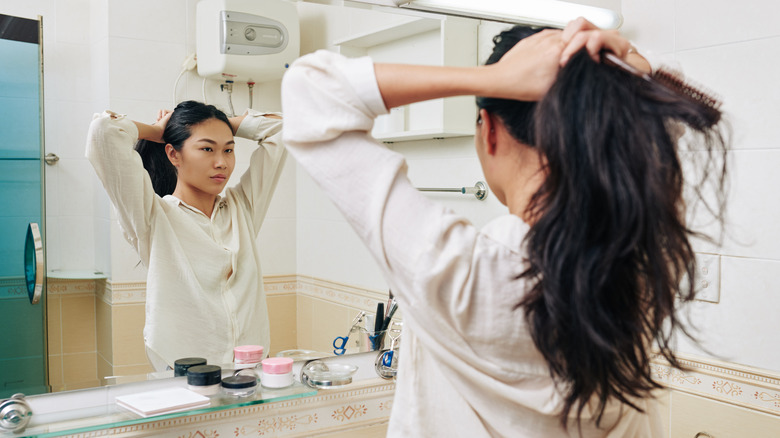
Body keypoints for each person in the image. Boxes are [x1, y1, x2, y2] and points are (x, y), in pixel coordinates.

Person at [280, 18, 727, 437]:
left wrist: (490, 81)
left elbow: (310, 90)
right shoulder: (642, 261)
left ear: (488, 130)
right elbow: (663, 128)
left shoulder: (460, 270)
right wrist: (631, 69)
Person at [86, 100, 286, 371]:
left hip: (249, 368)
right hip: (182, 374)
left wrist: (221, 124)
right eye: (206, 148)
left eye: (228, 150)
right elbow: (103, 131)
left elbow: (283, 129)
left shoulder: (243, 208)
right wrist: (157, 130)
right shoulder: (152, 217)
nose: (221, 162)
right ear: (174, 155)